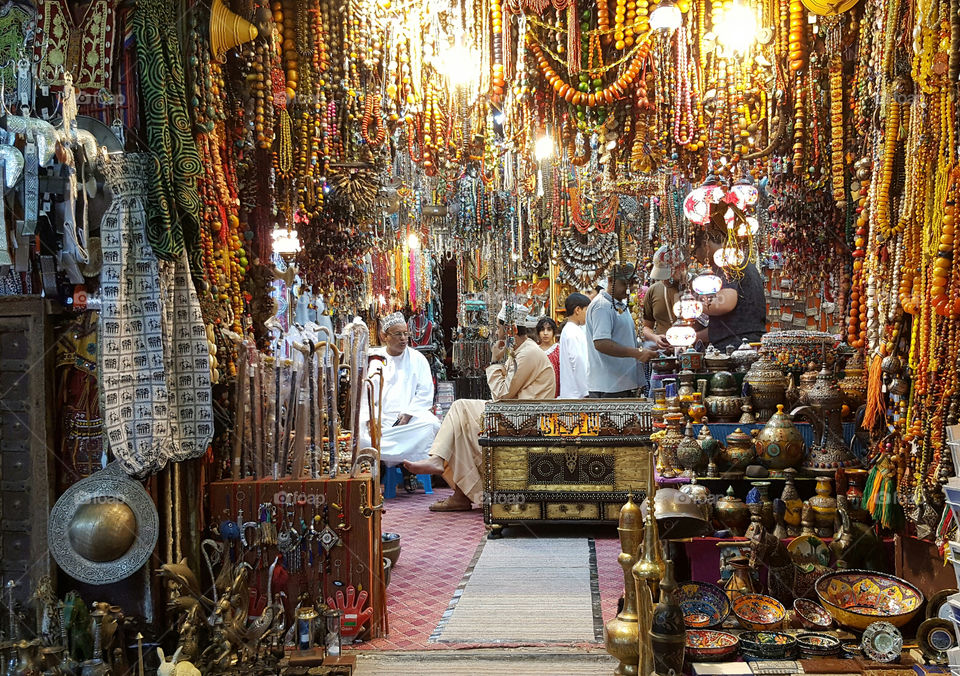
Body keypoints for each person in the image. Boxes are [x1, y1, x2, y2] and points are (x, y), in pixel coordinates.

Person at [404, 302, 555, 511]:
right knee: (461, 428)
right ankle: (459, 494)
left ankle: (440, 462)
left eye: (500, 327)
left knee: (460, 408)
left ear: (510, 330)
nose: (497, 331)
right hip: (515, 412)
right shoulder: (520, 351)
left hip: (524, 417)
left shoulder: (527, 353)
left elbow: (501, 394)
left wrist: (494, 361)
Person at [357, 312, 441, 475]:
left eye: (405, 334)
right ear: (384, 336)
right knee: (361, 434)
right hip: (379, 419)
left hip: (408, 420)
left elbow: (425, 392)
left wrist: (408, 414)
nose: (403, 338)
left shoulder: (417, 358)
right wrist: (371, 419)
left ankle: (414, 465)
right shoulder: (373, 358)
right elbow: (364, 393)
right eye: (398, 334)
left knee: (432, 425)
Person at [691, 220, 768, 351]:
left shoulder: (727, 263)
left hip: (736, 348)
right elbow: (724, 328)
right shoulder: (737, 262)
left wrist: (691, 306)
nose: (695, 258)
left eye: (694, 253)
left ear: (705, 244)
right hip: (745, 342)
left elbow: (726, 303)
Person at [585, 263, 657, 398]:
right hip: (609, 387)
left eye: (632, 283)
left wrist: (650, 347)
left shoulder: (619, 305)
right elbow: (601, 343)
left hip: (620, 384)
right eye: (625, 284)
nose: (629, 288)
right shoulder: (602, 307)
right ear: (611, 280)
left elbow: (624, 340)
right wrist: (637, 353)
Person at [642, 245, 685, 350]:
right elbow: (646, 327)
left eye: (667, 275)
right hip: (663, 352)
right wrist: (655, 338)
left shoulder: (698, 287)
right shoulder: (653, 290)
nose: (663, 280)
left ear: (681, 267)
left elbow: (710, 329)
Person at [559, 292, 591, 398]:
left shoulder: (571, 330)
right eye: (586, 310)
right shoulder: (572, 332)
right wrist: (585, 391)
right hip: (576, 394)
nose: (588, 314)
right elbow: (578, 361)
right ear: (577, 310)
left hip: (573, 392)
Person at [537, 316, 560, 396]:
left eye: (549, 329)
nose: (545, 333)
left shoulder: (558, 350)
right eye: (542, 330)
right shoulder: (534, 351)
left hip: (555, 390)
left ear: (554, 332)